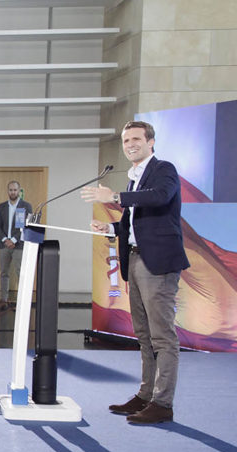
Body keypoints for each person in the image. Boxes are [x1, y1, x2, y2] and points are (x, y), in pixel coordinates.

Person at [82, 120, 190, 424]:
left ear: (150, 142)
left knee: (162, 336)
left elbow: (159, 198)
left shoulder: (163, 169)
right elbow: (137, 223)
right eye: (126, 140)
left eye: (136, 139)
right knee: (143, 334)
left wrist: (114, 197)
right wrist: (111, 227)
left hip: (158, 263)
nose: (130, 144)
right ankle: (145, 395)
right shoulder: (133, 179)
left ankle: (163, 403)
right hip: (136, 260)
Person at [0, 180, 32, 312]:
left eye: (15, 190)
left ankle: (22, 302)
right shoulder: (2, 206)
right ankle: (4, 300)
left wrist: (13, 240)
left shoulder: (26, 206)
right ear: (7, 191)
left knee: (20, 272)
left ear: (19, 191)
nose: (13, 192)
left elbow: (26, 226)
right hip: (4, 244)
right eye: (10, 190)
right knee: (4, 272)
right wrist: (5, 239)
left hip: (18, 245)